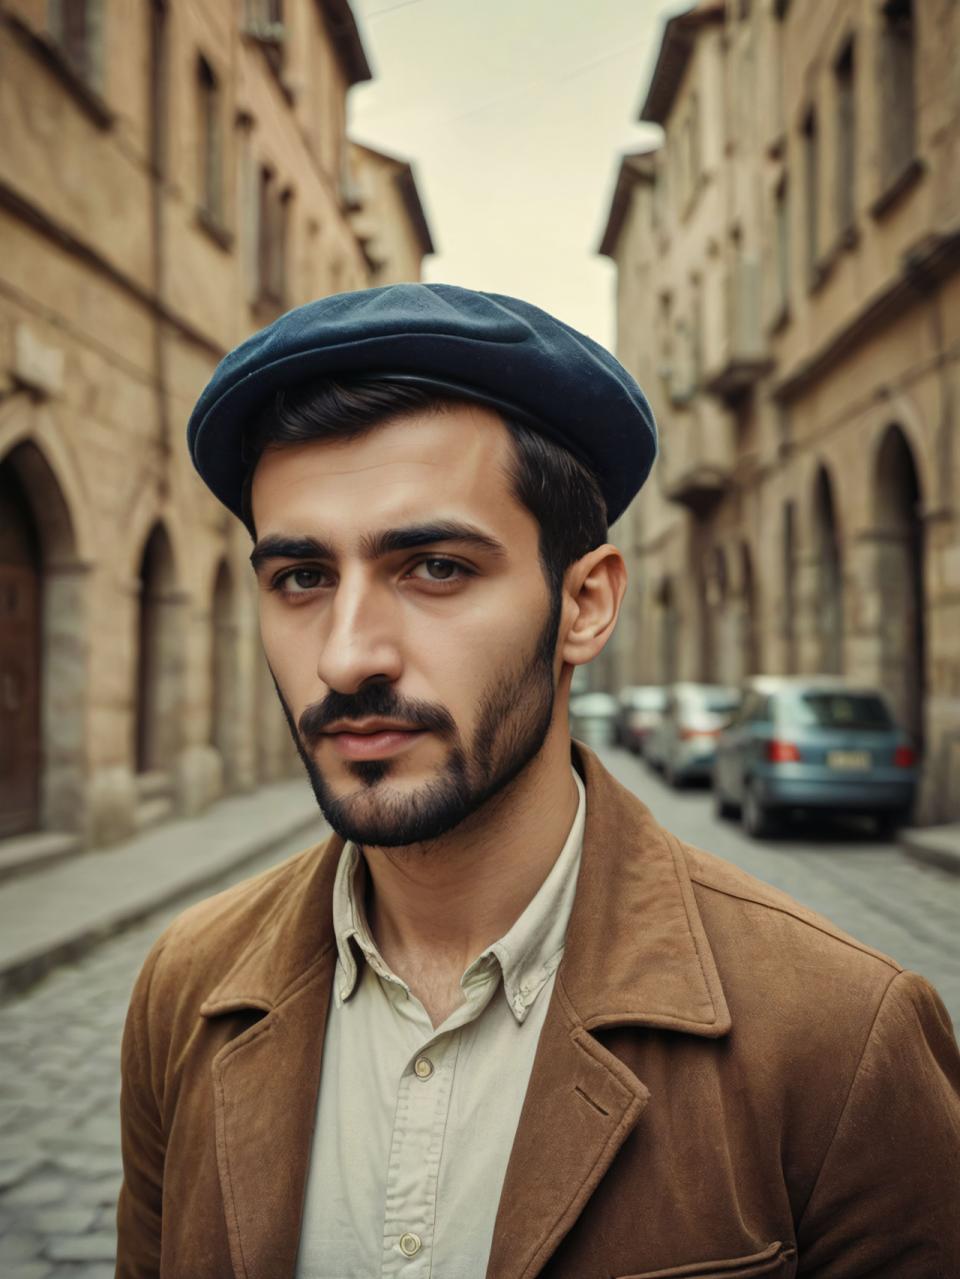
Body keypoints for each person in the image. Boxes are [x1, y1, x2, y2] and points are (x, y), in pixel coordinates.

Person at [116, 284, 960, 1279]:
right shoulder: (187, 987)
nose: (347, 658)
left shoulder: (841, 1035)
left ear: (586, 605)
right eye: (300, 578)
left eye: (433, 567)